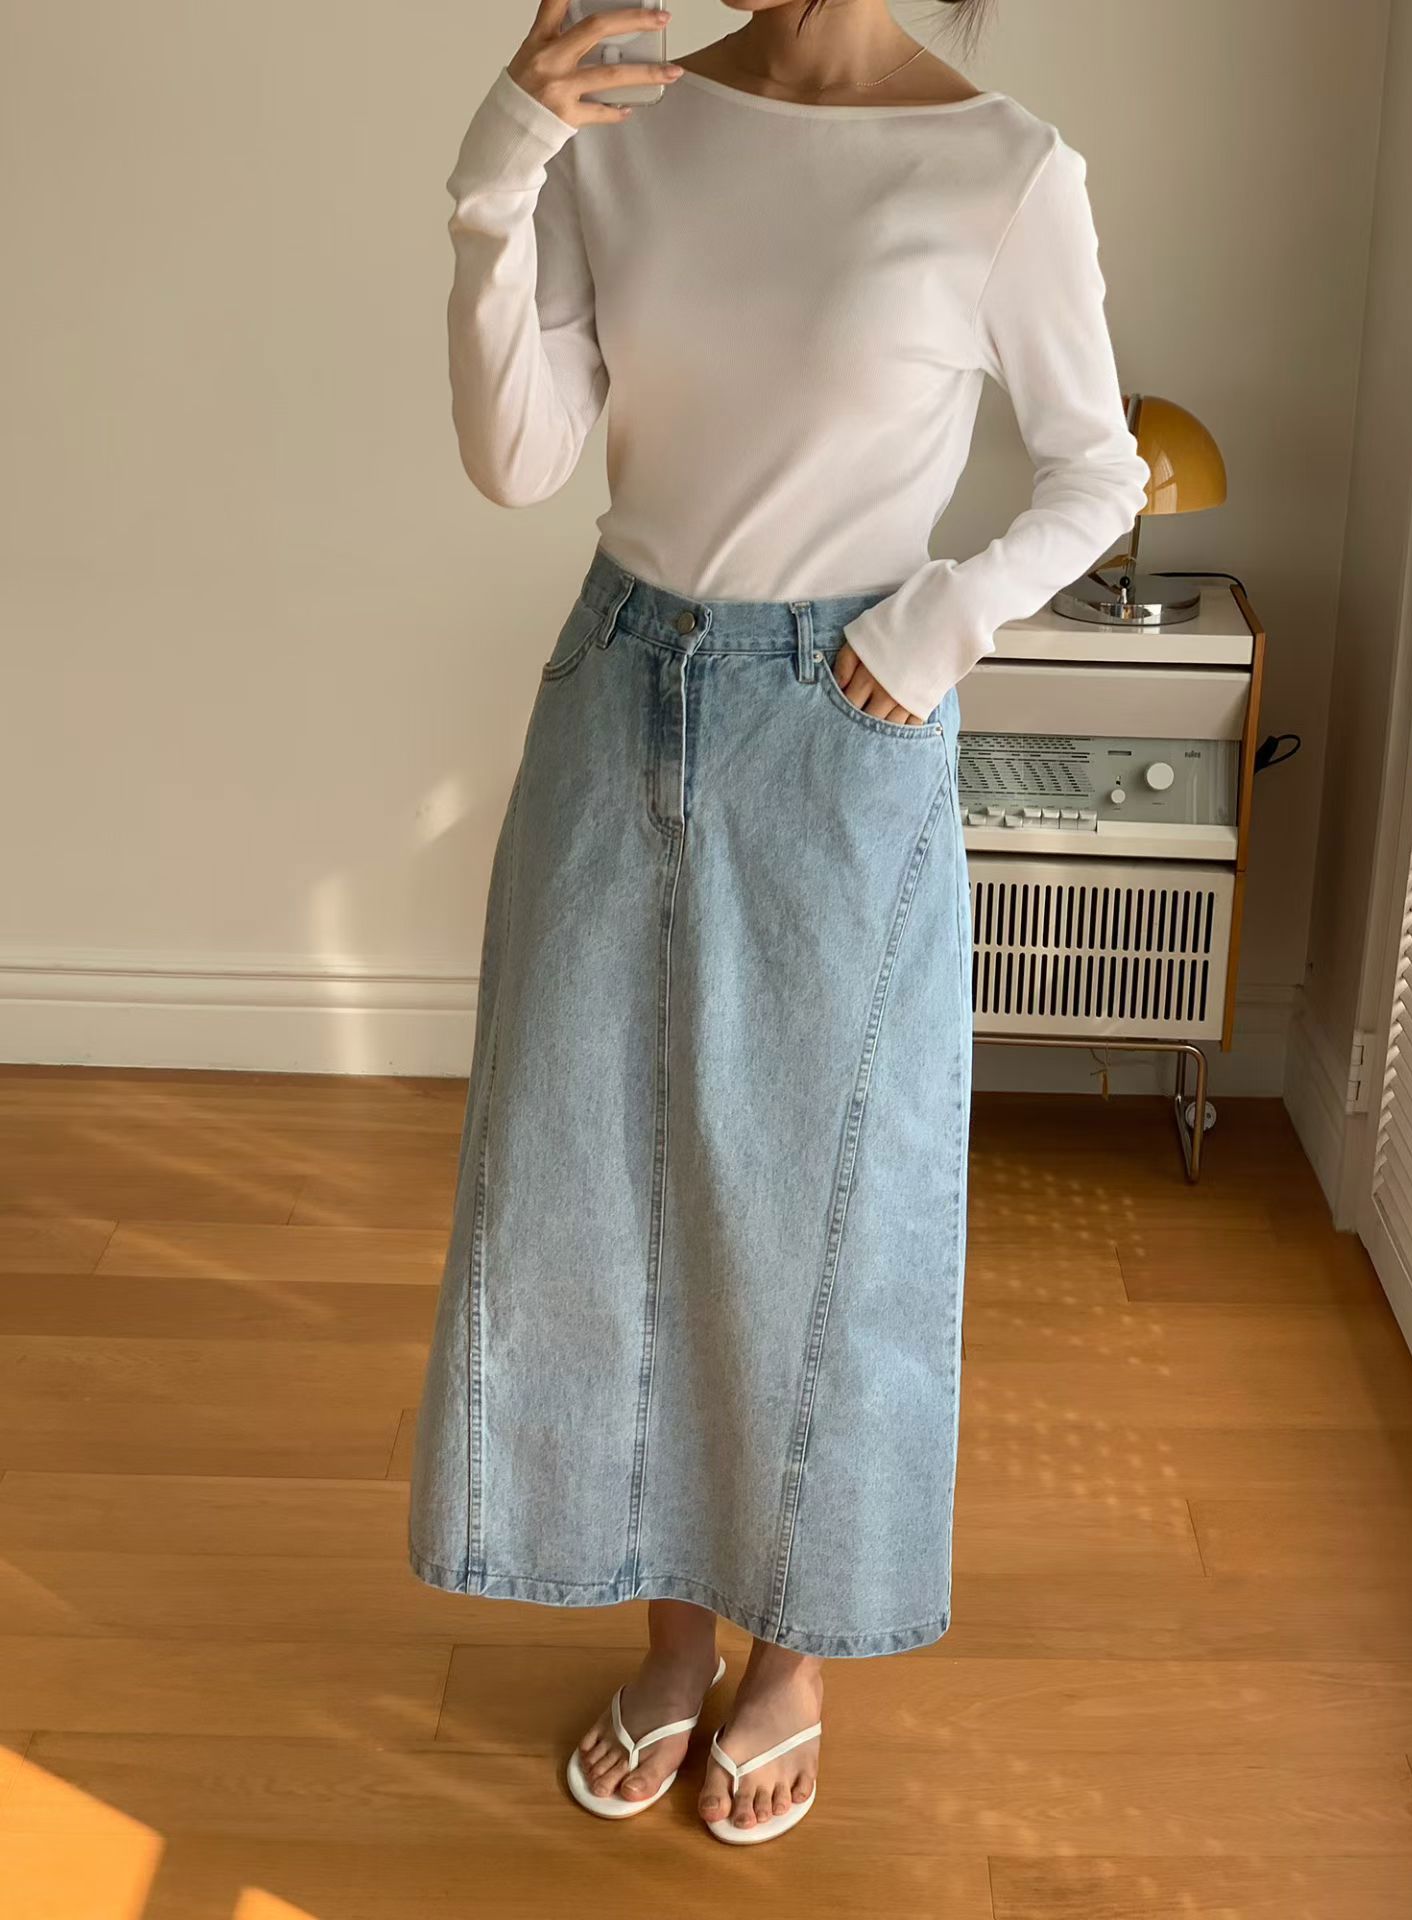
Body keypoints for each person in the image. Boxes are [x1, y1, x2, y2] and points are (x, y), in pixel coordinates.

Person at [408, 0, 1151, 1846]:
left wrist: (934, 628)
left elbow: (1102, 469)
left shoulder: (1001, 169)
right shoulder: (629, 119)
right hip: (619, 684)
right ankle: (673, 1640)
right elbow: (519, 458)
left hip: (846, 714)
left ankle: (794, 1660)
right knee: (597, 1187)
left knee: (827, 1206)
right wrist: (499, 170)